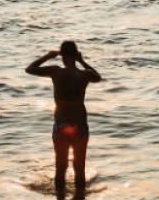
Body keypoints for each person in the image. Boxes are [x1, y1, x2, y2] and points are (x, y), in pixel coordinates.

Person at [26, 41, 102, 191]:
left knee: (60, 168)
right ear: (75, 54)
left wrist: (47, 56)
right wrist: (82, 61)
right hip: (79, 126)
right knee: (79, 169)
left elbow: (30, 69)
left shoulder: (55, 71)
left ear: (62, 56)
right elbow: (98, 77)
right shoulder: (84, 74)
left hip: (61, 126)